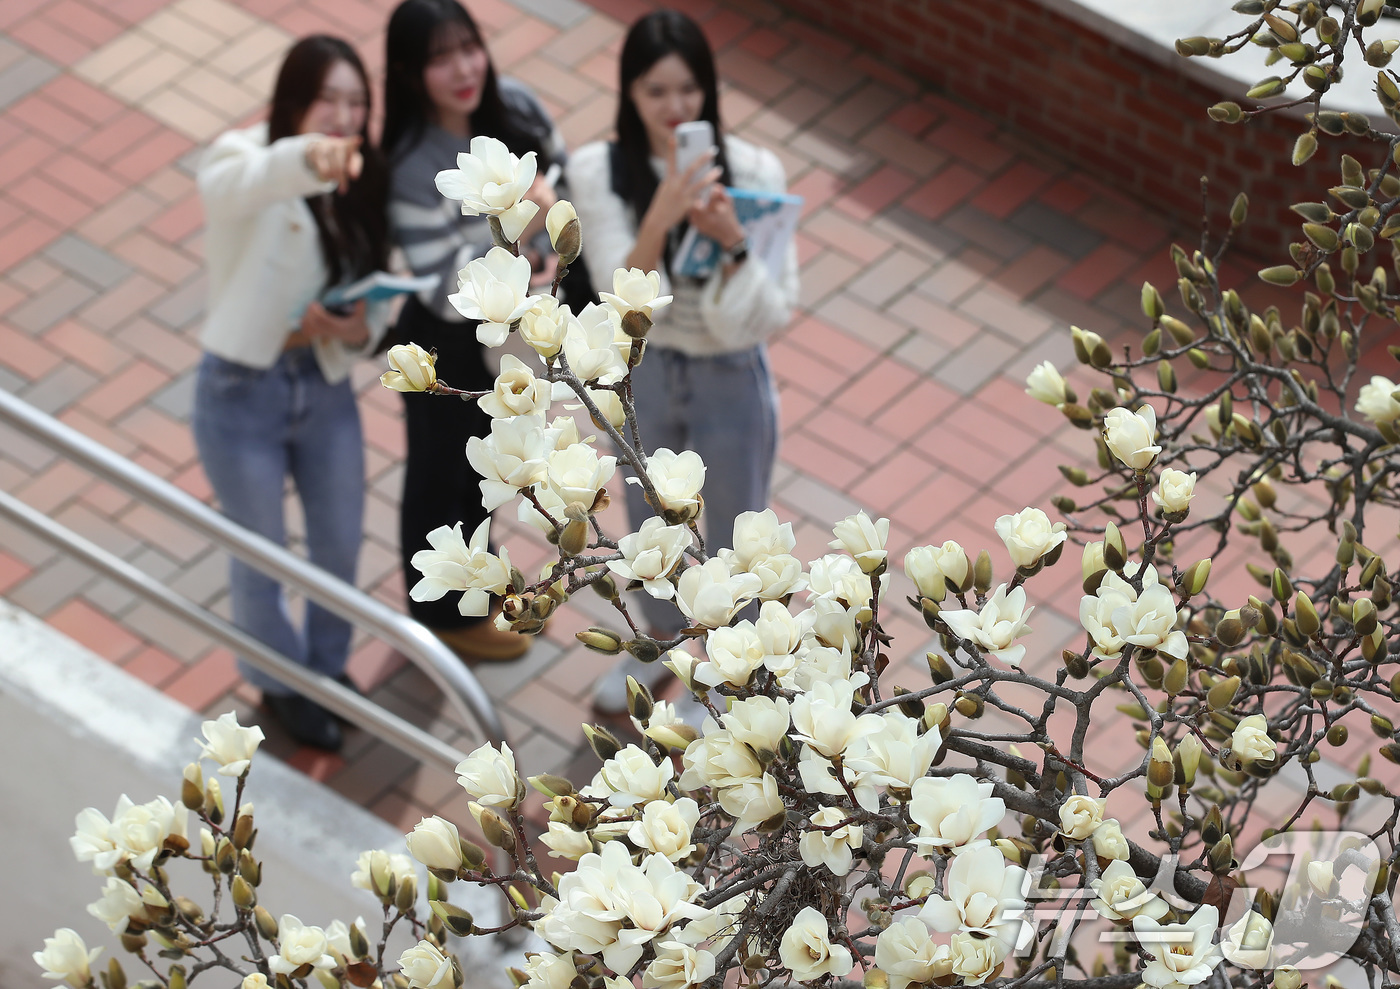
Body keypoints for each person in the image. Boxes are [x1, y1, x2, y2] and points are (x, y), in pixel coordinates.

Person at [566, 10, 800, 714]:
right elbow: (619, 300)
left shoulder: (755, 170)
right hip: (648, 370)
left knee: (734, 529)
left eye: (689, 91)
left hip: (730, 372)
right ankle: (662, 647)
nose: (675, 109)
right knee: (650, 523)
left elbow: (771, 312)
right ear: (628, 95)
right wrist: (662, 217)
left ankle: (730, 674)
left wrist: (731, 242)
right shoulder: (598, 170)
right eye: (656, 92)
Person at [193, 36, 391, 751]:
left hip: (323, 381)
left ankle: (327, 666)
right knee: (263, 554)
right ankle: (279, 683)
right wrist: (308, 159)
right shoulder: (245, 156)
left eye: (356, 103)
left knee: (339, 543)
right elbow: (228, 189)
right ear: (292, 103)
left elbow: (377, 300)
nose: (343, 117)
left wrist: (356, 324)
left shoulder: (368, 178)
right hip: (239, 391)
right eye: (327, 100)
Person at [383, 0, 570, 662]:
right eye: (439, 58)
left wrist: (545, 214)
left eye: (469, 47)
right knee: (446, 485)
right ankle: (441, 617)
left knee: (486, 476)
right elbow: (443, 284)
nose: (463, 68)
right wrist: (527, 246)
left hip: (513, 329)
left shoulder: (514, 108)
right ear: (407, 72)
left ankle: (476, 597)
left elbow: (562, 184)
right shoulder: (409, 164)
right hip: (448, 344)